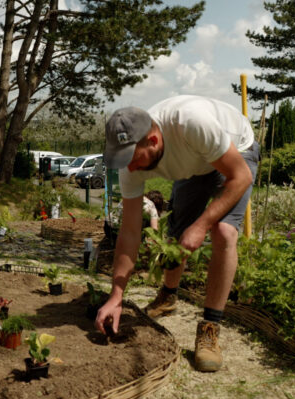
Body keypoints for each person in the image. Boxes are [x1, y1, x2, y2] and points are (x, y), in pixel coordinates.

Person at [94, 95, 260, 372]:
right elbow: (130, 231)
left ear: (154, 141)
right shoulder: (131, 162)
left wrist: (202, 224)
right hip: (194, 162)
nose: (130, 168)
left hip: (235, 152)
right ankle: (169, 296)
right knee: (177, 234)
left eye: (133, 159)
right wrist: (116, 295)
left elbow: (241, 177)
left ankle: (210, 328)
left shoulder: (191, 123)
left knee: (223, 232)